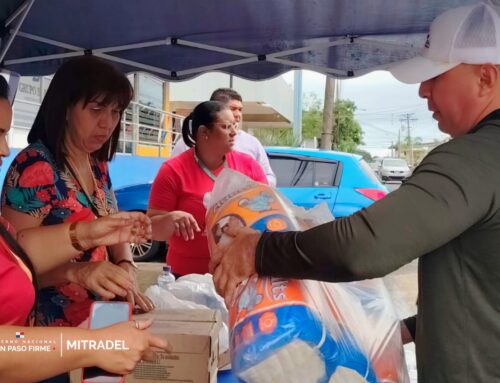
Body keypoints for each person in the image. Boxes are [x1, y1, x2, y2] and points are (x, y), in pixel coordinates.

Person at [210, 3, 500, 382]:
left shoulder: (474, 157)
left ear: (486, 78)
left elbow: (360, 247)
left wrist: (256, 249)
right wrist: (402, 330)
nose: (424, 90)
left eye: (436, 76)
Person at [0, 75, 170, 382]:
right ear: (66, 108)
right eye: (96, 110)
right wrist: (77, 271)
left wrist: (125, 264)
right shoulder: (35, 165)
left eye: (116, 112)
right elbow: (19, 258)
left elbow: (112, 225)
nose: (107, 123)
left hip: (95, 328)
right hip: (45, 342)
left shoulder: (96, 164)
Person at [148, 101, 268, 276]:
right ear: (204, 132)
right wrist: (170, 219)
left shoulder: (249, 166)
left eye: (235, 126)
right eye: (226, 127)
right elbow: (151, 229)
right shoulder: (173, 170)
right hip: (186, 276)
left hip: (237, 273)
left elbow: (268, 211)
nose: (234, 133)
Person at [171, 88, 277, 186]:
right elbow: (173, 178)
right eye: (233, 109)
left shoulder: (251, 143)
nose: (237, 114)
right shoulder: (187, 144)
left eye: (240, 109)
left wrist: (247, 189)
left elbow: (269, 178)